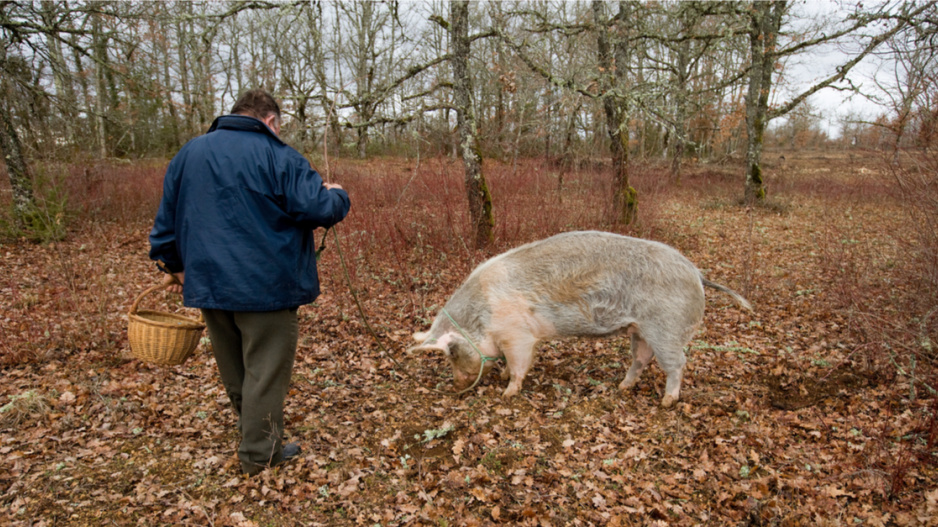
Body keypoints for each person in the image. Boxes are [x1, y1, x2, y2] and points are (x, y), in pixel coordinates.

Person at [148, 89, 350, 476]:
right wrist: (338, 194)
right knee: (265, 369)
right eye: (279, 125)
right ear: (271, 121)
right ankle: (260, 454)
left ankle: (252, 432)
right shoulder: (280, 156)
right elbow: (318, 208)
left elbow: (165, 224)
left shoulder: (188, 154)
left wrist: (173, 266)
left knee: (236, 367)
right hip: (266, 287)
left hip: (210, 285)